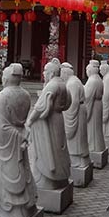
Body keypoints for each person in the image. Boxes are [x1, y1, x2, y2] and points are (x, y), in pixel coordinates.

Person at [0, 63, 37, 217]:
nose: (2, 78)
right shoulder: (26, 94)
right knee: (22, 169)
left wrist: (15, 135)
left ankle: (8, 208)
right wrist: (21, 134)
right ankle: (25, 206)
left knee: (6, 172)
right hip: (19, 137)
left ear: (7, 78)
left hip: (7, 143)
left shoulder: (1, 97)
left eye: (3, 76)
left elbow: (0, 127)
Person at [26, 58, 71, 190]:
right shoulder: (62, 84)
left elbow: (40, 107)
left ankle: (48, 180)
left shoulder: (52, 85)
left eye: (45, 71)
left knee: (50, 150)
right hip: (58, 118)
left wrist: (29, 121)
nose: (43, 74)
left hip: (49, 121)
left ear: (51, 73)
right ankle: (61, 178)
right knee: (58, 149)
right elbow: (69, 102)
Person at [61, 62, 90, 168]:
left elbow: (73, 104)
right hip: (80, 110)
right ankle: (81, 160)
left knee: (76, 140)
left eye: (61, 74)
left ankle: (77, 161)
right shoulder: (75, 80)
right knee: (80, 139)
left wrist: (68, 119)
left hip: (76, 112)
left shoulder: (72, 84)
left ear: (65, 73)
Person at [84, 60, 106, 153]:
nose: (87, 72)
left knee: (92, 128)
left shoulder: (92, 81)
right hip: (98, 105)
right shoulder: (98, 79)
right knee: (97, 128)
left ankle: (93, 147)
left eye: (87, 69)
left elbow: (88, 98)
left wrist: (86, 114)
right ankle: (99, 146)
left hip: (93, 107)